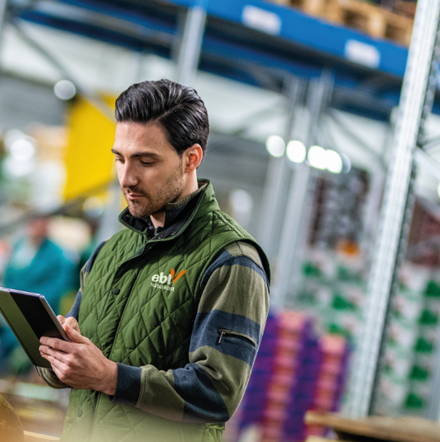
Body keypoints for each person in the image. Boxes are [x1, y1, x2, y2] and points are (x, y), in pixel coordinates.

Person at [36, 79, 270, 442]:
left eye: (146, 161)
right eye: (120, 159)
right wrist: (60, 357)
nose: (126, 178)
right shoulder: (109, 252)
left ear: (191, 158)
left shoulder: (231, 260)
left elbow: (218, 392)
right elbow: (80, 370)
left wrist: (110, 377)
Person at [0, 216, 78, 375]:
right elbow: (8, 276)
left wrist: (27, 301)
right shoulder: (19, 246)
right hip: (10, 311)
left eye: (42, 221)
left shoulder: (58, 254)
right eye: (34, 221)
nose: (38, 226)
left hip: (35, 314)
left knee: (23, 361)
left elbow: (58, 287)